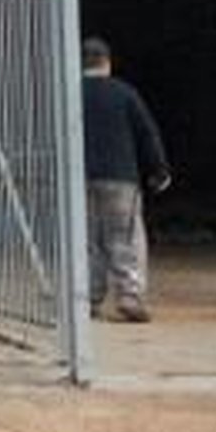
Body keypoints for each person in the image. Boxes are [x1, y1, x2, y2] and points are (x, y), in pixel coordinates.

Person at [77, 39, 172, 324]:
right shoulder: (124, 93)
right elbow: (147, 133)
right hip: (120, 177)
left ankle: (87, 299)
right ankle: (129, 296)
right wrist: (159, 169)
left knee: (87, 240)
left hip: (80, 177)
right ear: (107, 61)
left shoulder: (70, 93)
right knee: (124, 237)